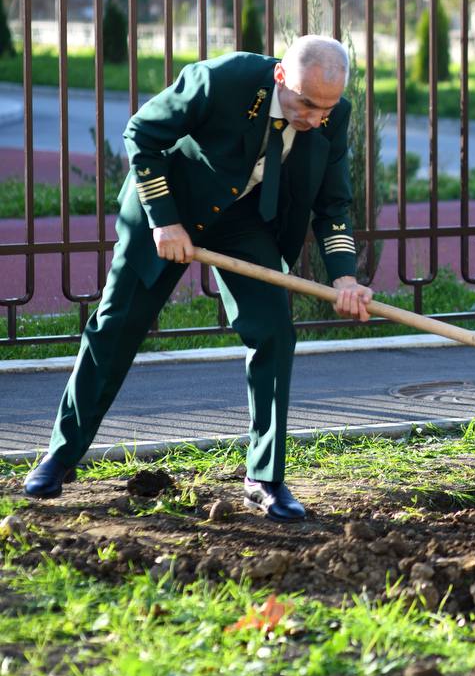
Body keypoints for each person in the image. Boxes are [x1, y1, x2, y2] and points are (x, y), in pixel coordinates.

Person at [23, 35, 374, 521]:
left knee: (274, 332)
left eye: (326, 109)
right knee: (117, 325)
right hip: (170, 204)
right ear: (280, 77)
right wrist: (165, 221)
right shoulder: (220, 81)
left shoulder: (332, 114)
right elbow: (142, 134)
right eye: (306, 104)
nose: (315, 119)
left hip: (245, 219)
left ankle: (264, 477)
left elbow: (333, 203)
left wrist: (344, 279)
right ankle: (61, 456)